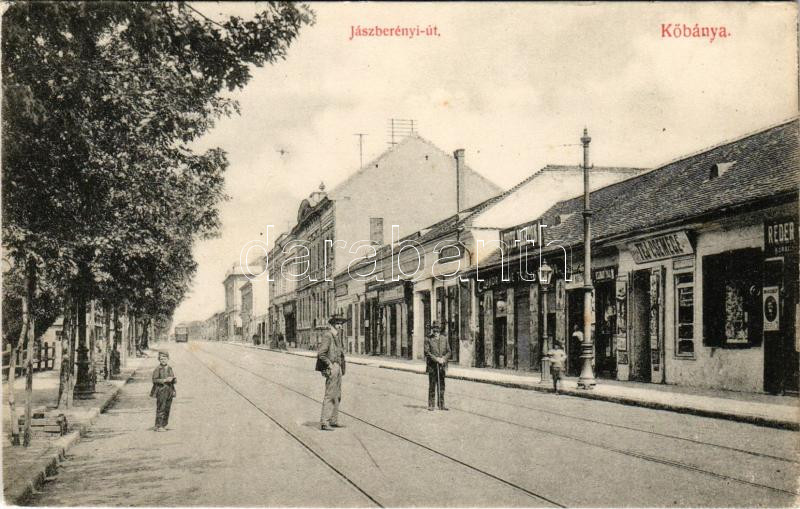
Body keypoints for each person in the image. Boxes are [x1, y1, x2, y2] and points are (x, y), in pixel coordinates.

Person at [318, 315, 347, 431]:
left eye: (341, 324)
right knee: (330, 394)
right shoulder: (328, 336)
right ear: (333, 324)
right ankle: (325, 422)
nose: (340, 326)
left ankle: (333, 420)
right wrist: (330, 365)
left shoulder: (337, 336)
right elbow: (321, 354)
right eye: (338, 324)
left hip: (338, 367)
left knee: (337, 395)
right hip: (333, 366)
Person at [424, 321, 451, 411]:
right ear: (433, 330)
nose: (436, 332)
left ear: (440, 330)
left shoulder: (444, 339)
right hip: (432, 366)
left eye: (438, 330)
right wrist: (436, 359)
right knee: (432, 385)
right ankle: (431, 405)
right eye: (434, 330)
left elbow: (449, 352)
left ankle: (441, 405)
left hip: (442, 365)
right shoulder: (428, 339)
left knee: (441, 385)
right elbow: (427, 352)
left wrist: (444, 358)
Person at [150, 351, 176, 431]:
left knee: (167, 408)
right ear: (159, 360)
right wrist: (164, 380)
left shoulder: (169, 368)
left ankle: (163, 424)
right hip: (161, 390)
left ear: (168, 359)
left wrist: (174, 380)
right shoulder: (158, 369)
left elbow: (172, 377)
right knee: (161, 408)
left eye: (165, 359)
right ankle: (159, 425)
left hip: (169, 390)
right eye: (161, 359)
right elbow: (154, 380)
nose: (163, 360)